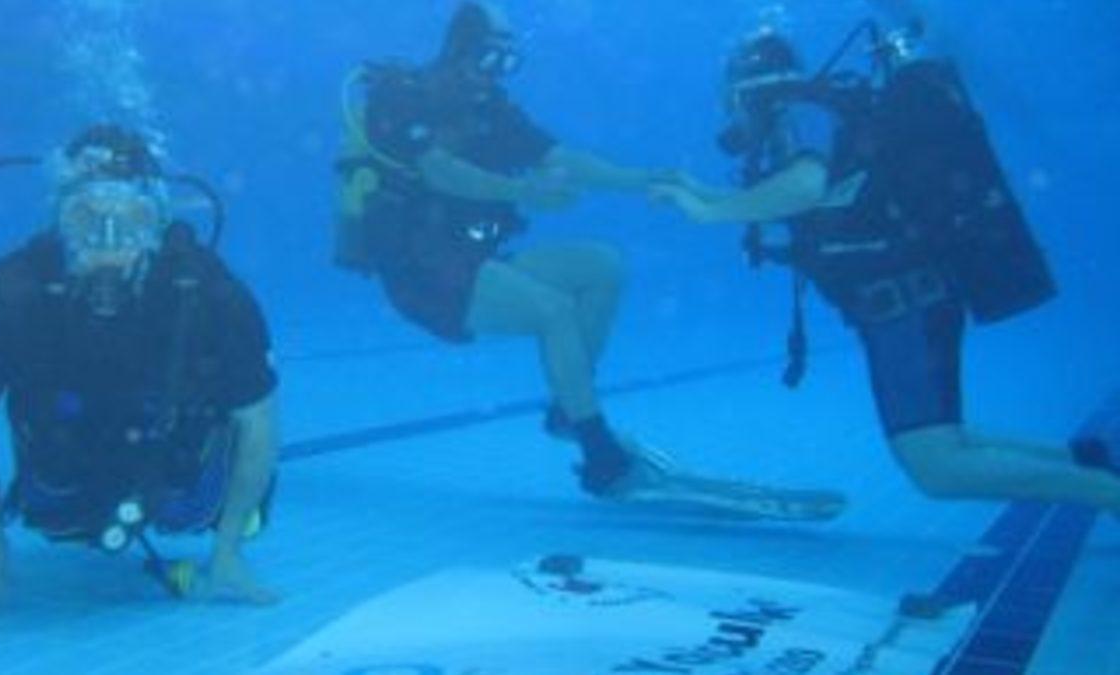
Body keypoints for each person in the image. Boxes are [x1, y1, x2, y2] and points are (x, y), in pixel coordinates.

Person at [334, 3, 845, 520]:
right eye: (490, 59)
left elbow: (564, 160)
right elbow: (440, 171)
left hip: (470, 258)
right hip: (419, 273)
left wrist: (644, 179)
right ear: (458, 49)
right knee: (552, 310)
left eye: (508, 63)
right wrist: (522, 191)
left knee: (602, 266)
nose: (497, 73)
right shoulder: (401, 97)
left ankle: (569, 411)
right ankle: (603, 460)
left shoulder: (492, 110)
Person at [654, 25, 1120, 515]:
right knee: (946, 440)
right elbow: (812, 198)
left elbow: (806, 186)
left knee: (938, 468)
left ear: (745, 91)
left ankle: (1109, 493)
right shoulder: (818, 114)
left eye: (732, 102)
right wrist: (703, 194)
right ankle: (1092, 463)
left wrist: (710, 212)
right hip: (912, 300)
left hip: (905, 307)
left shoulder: (799, 114)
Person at [0, 124, 281, 605]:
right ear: (59, 219)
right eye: (86, 218)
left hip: (175, 462)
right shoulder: (12, 291)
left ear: (158, 222)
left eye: (132, 220)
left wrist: (227, 551)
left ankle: (226, 526)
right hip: (66, 461)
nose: (108, 240)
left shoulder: (210, 293)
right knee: (56, 518)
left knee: (212, 513)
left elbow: (258, 417)